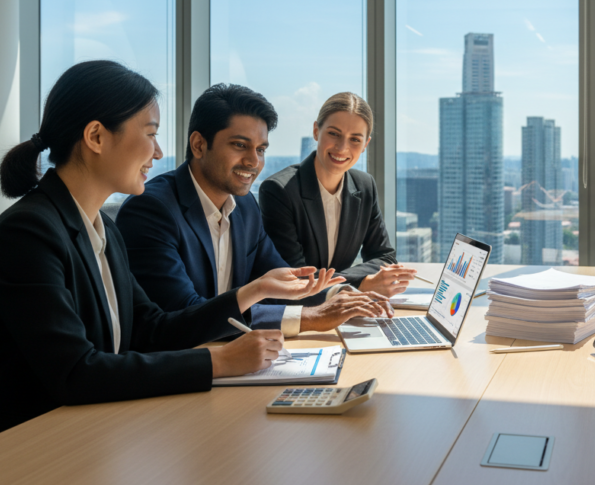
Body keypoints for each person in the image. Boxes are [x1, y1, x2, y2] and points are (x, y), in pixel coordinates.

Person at [0, 61, 339, 442]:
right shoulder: (28, 232)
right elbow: (76, 372)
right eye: (150, 133)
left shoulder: (102, 229)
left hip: (87, 431)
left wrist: (248, 294)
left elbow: (153, 330)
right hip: (12, 445)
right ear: (96, 137)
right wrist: (219, 362)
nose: (160, 152)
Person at [115, 83, 391, 336]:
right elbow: (184, 315)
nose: (253, 161)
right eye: (239, 145)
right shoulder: (152, 209)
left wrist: (339, 294)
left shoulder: (245, 206)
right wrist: (309, 318)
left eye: (261, 149)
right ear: (199, 144)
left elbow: (283, 283)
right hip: (186, 367)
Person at [259, 92, 416, 297]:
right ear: (316, 131)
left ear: (365, 145)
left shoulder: (364, 185)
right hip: (295, 314)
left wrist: (346, 284)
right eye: (334, 134)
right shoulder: (279, 190)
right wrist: (360, 284)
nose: (342, 148)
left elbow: (384, 257)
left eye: (355, 139)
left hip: (340, 309)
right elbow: (296, 278)